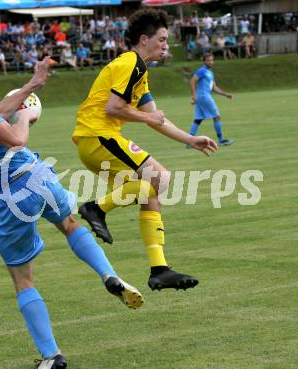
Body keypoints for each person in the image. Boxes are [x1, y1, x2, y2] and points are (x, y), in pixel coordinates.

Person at [0, 60, 143, 369]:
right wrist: (27, 114)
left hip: (9, 201)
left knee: (23, 280)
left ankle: (52, 356)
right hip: (37, 177)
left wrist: (26, 92)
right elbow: (15, 138)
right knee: (70, 224)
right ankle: (108, 274)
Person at [72, 8, 218, 292]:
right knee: (160, 178)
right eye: (162, 39)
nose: (166, 44)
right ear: (144, 39)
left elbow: (156, 118)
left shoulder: (140, 71)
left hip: (96, 141)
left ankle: (159, 269)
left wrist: (190, 139)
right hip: (98, 135)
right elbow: (113, 108)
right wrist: (147, 117)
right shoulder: (132, 63)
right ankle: (94, 208)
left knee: (151, 190)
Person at [189, 53, 234, 146]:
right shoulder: (202, 70)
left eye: (212, 60)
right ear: (204, 61)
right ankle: (221, 140)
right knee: (217, 116)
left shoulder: (210, 73)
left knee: (198, 119)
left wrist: (226, 94)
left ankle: (189, 142)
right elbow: (192, 80)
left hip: (202, 96)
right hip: (204, 96)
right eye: (208, 60)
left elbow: (214, 88)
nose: (210, 62)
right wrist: (193, 95)